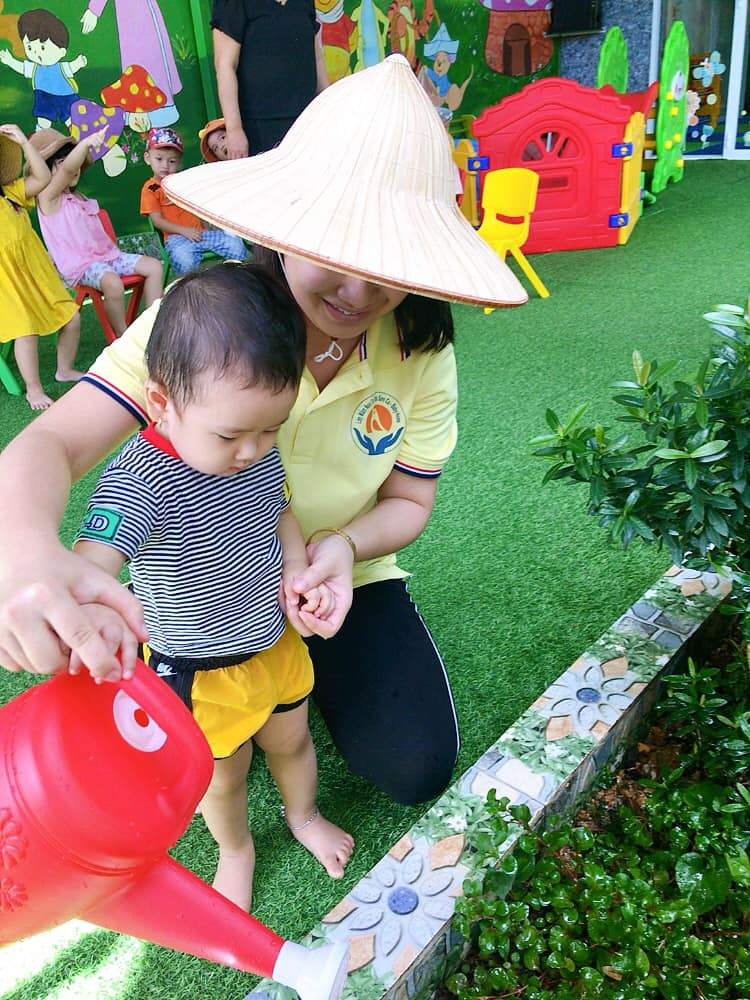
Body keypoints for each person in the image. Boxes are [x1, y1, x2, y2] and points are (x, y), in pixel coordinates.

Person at [0, 56, 526, 807]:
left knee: (414, 766)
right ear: (286, 226)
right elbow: (50, 443)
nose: (358, 291)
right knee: (162, 774)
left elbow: (411, 501)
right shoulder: (202, 325)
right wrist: (23, 555)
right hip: (200, 599)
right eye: (334, 249)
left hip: (334, 578)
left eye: (387, 263)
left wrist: (340, 548)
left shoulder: (421, 348)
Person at [73, 264, 353, 910]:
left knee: (293, 741)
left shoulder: (256, 450)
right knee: (222, 780)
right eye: (230, 434)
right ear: (162, 403)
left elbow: (279, 511)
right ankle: (236, 850)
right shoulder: (139, 481)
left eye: (270, 428)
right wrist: (83, 599)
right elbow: (94, 559)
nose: (252, 450)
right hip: (198, 673)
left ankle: (304, 815)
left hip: (273, 644)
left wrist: (295, 569)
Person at [33, 128, 163, 338]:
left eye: (73, 161)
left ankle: (153, 327)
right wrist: (85, 144)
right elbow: (68, 170)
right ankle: (123, 337)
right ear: (46, 171)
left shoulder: (79, 197)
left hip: (109, 258)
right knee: (112, 282)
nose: (73, 169)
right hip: (80, 266)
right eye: (61, 163)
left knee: (154, 266)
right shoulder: (48, 199)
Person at [0, 123, 82, 410]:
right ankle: (33, 389)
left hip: (34, 272)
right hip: (5, 283)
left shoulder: (11, 193)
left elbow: (44, 177)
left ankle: (64, 369)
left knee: (71, 317)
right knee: (25, 329)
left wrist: (24, 143)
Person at [211, 0, 328, 158]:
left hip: (308, 121)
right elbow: (224, 65)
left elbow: (316, 57)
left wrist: (331, 107)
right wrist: (234, 130)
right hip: (260, 128)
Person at [140, 126, 248, 275]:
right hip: (176, 238)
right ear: (148, 158)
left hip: (201, 234)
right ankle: (193, 287)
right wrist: (184, 231)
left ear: (179, 163)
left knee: (235, 245)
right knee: (185, 262)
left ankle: (236, 279)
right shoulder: (150, 188)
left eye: (172, 161)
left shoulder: (183, 182)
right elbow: (157, 221)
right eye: (159, 159)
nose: (165, 165)